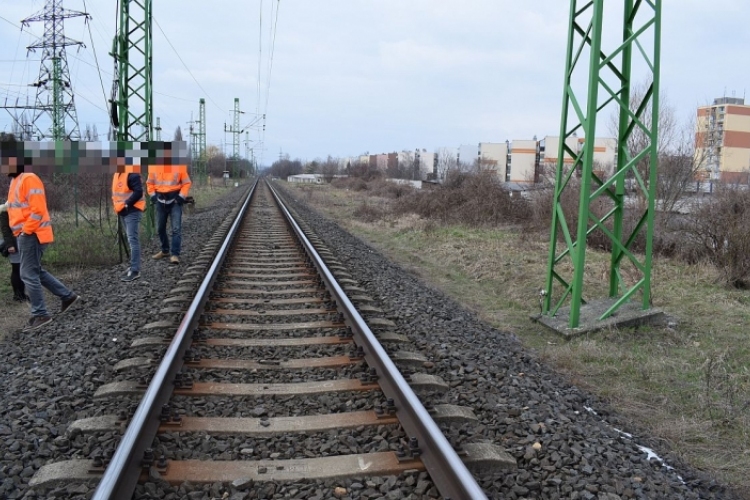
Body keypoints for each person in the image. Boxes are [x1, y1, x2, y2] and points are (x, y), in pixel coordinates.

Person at [6, 164, 81, 331]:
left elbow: (38, 209)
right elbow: (20, 207)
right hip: (27, 233)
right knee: (35, 271)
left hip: (32, 233)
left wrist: (26, 231)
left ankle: (41, 314)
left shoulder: (28, 178)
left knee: (27, 273)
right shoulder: (16, 180)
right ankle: (67, 297)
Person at [146, 162, 191, 265]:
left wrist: (180, 197)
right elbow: (149, 183)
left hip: (175, 200)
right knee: (160, 228)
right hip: (160, 200)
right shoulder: (153, 166)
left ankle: (175, 254)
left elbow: (186, 183)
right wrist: (153, 196)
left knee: (176, 228)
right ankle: (165, 250)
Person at [112, 163, 145, 282]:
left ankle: (135, 270)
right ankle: (133, 267)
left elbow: (138, 192)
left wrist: (127, 204)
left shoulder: (132, 173)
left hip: (132, 211)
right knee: (131, 239)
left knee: (132, 240)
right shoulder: (118, 174)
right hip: (122, 211)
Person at [0, 201, 27, 301]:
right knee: (17, 269)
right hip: (14, 244)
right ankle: (18, 295)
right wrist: (10, 245)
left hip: (24, 241)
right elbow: (5, 230)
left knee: (22, 269)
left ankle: (21, 294)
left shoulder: (21, 207)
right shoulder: (5, 210)